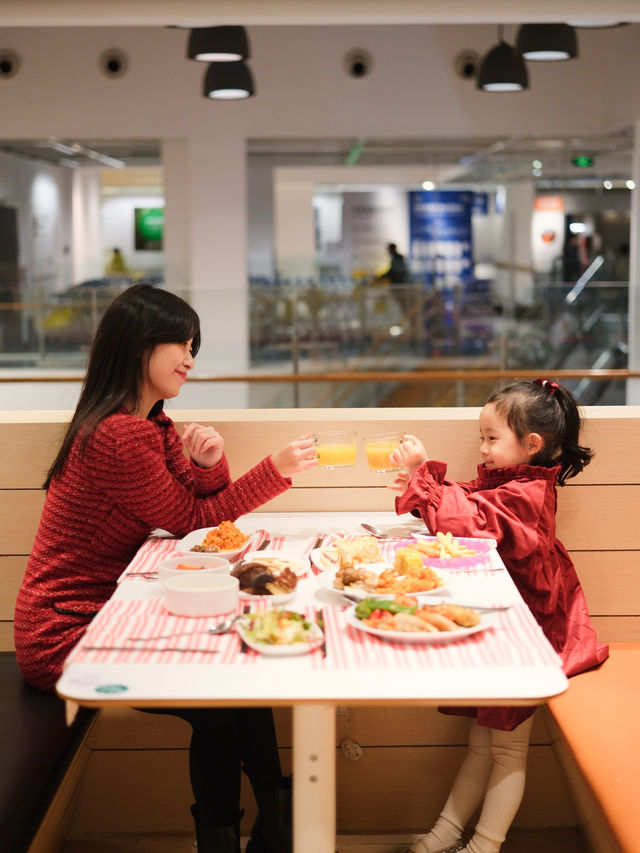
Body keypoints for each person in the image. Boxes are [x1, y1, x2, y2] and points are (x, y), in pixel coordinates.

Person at [14, 283, 319, 853]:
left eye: (192, 345)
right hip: (65, 632)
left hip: (107, 613)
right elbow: (191, 520)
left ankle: (276, 824)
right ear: (136, 347)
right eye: (178, 343)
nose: (189, 358)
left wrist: (208, 462)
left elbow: (198, 521)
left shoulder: (149, 424)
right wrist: (271, 471)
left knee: (235, 681)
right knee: (218, 695)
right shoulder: (116, 435)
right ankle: (248, 832)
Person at [388, 378, 608, 853]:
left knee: (506, 748)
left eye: (491, 438)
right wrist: (420, 483)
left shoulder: (529, 493)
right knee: (483, 744)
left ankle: (483, 845)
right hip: (505, 622)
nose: (482, 449)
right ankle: (444, 835)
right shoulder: (512, 480)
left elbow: (470, 520)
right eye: (482, 437)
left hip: (529, 629)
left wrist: (424, 474)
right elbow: (465, 502)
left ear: (532, 445)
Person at [377, 242, 412, 315]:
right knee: (401, 305)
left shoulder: (397, 259)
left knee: (402, 304)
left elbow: (393, 272)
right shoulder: (397, 259)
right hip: (400, 285)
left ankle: (404, 317)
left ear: (391, 249)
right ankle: (404, 317)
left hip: (399, 286)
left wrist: (380, 277)